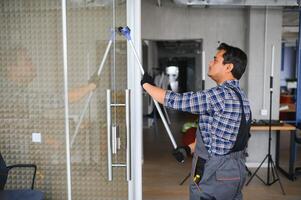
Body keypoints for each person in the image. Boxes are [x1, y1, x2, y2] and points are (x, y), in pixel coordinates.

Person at [141, 43, 252, 200]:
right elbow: (221, 140)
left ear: (228, 67)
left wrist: (147, 85)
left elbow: (176, 100)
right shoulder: (241, 97)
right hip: (234, 172)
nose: (210, 63)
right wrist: (188, 149)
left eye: (215, 59)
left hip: (215, 175)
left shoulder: (220, 95)